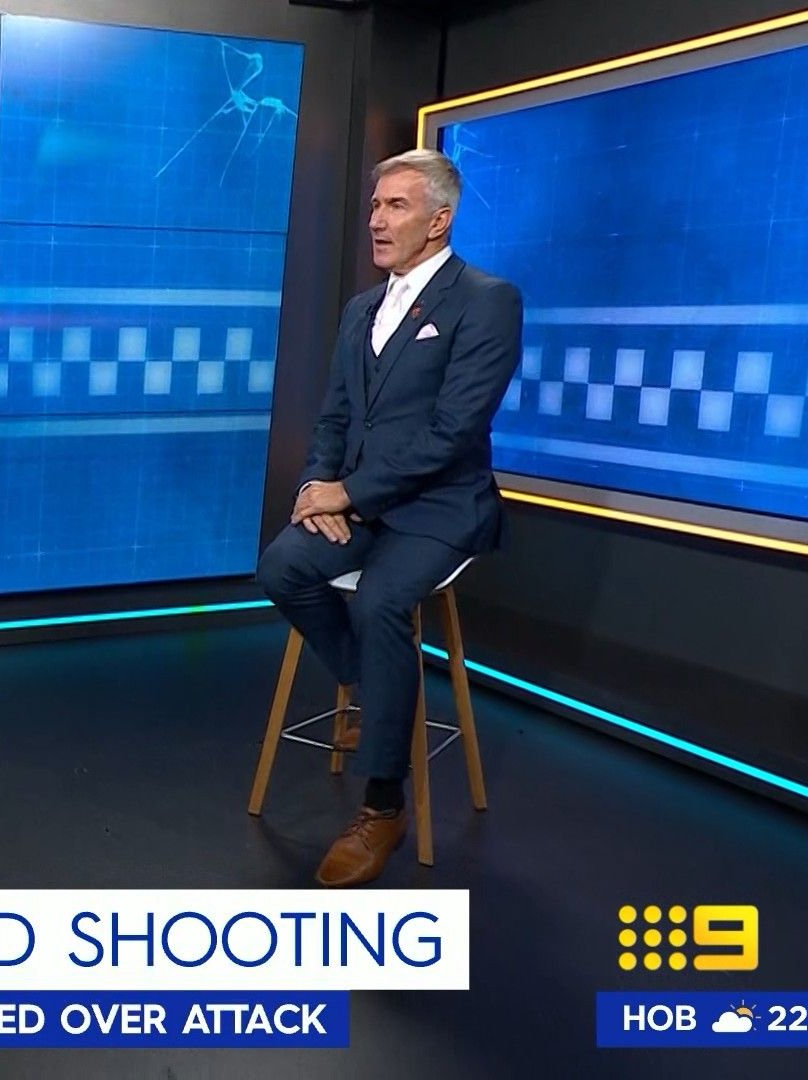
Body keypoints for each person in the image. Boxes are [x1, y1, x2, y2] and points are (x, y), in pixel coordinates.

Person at [256, 149, 522, 888]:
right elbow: (335, 417)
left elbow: (453, 432)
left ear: (439, 220)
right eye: (375, 205)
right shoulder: (361, 310)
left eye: (395, 206)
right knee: (281, 567)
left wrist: (349, 494)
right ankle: (379, 701)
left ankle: (381, 804)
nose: (376, 219)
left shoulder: (487, 300)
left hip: (441, 506)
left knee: (379, 601)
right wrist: (316, 485)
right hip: (361, 500)